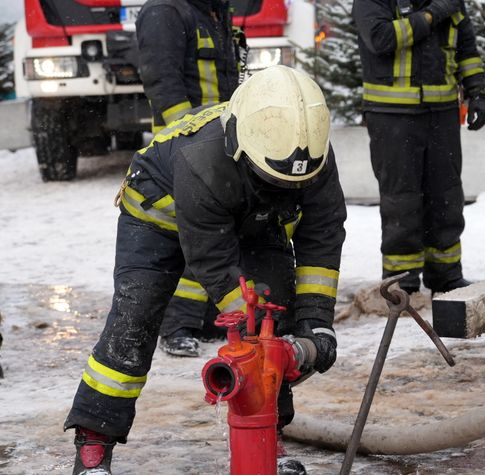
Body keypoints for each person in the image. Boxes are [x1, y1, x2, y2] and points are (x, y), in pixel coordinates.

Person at [65, 66, 346, 475]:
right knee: (135, 320)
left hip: (251, 216)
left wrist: (317, 324)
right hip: (157, 214)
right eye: (274, 179)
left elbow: (321, 238)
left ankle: (269, 436)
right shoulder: (204, 159)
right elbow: (211, 259)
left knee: (273, 314)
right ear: (241, 147)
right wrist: (250, 323)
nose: (286, 187)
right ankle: (94, 441)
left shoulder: (312, 156)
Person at [352, 0, 485, 295]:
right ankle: (402, 281)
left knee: (447, 197)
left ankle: (447, 275)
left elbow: (466, 49)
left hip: (441, 114)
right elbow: (380, 39)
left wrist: (477, 91)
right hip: (391, 115)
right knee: (401, 200)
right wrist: (430, 15)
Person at [136, 0, 242, 356]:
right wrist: (190, 137)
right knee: (190, 235)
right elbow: (162, 83)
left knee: (217, 231)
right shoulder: (165, 11)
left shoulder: (213, 10)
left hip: (220, 141)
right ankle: (178, 325)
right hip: (186, 147)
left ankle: (208, 317)